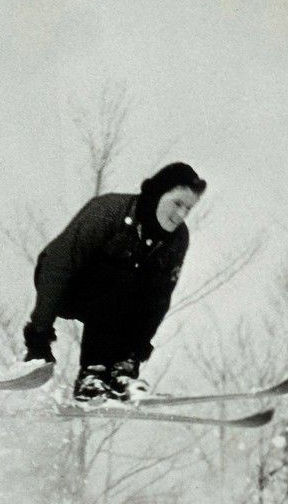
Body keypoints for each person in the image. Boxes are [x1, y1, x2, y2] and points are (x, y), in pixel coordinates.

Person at [21, 162, 207, 401]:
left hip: (114, 299)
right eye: (177, 203)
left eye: (188, 209)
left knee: (143, 289)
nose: (181, 215)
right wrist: (39, 336)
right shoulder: (109, 211)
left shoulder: (177, 238)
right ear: (158, 194)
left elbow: (159, 299)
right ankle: (93, 374)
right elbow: (57, 267)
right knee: (119, 278)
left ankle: (119, 374)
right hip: (66, 284)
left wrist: (132, 356)